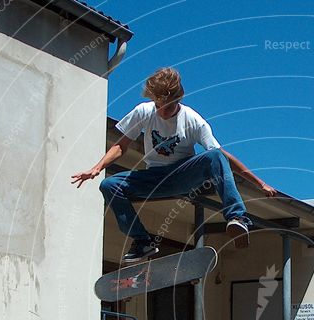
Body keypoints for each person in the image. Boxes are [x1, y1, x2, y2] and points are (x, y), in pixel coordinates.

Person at [72, 67, 276, 261]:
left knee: (214, 155)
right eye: (158, 106)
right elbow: (121, 145)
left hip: (183, 175)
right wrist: (97, 168)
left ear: (178, 99)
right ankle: (143, 242)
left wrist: (259, 183)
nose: (162, 112)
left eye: (168, 107)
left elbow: (222, 156)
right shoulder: (143, 112)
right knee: (109, 184)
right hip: (154, 177)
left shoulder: (192, 119)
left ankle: (237, 218)